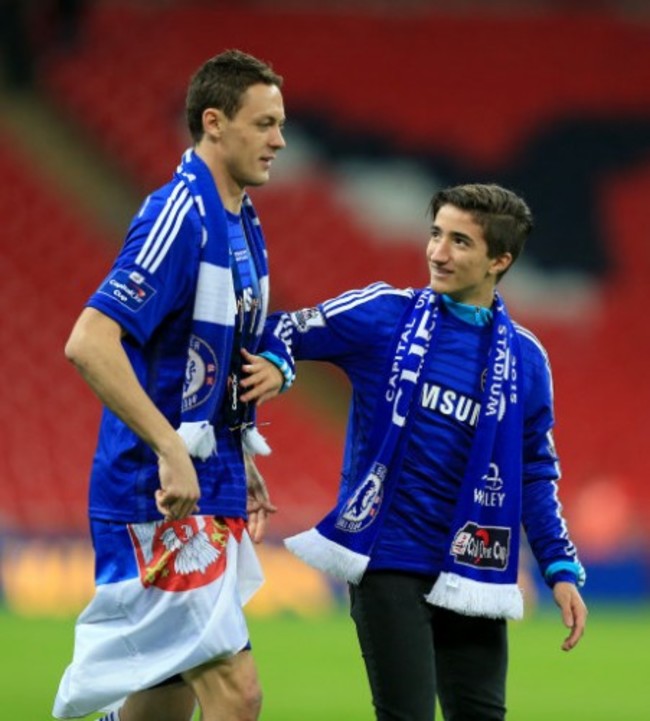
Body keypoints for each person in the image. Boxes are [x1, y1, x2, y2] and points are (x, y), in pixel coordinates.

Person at [262, 183, 588, 721]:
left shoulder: (526, 360)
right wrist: (279, 361)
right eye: (436, 234)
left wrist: (559, 567)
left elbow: (534, 472)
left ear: (498, 260)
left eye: (460, 241)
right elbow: (286, 328)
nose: (438, 252)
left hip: (473, 566)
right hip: (387, 557)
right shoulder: (383, 314)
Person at [53, 49, 290, 721]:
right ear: (214, 123)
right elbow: (90, 340)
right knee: (235, 692)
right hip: (157, 493)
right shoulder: (178, 215)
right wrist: (171, 447)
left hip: (207, 484)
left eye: (281, 123)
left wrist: (236, 454)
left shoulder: (241, 221)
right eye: (264, 123)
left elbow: (210, 359)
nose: (280, 140)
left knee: (167, 691)